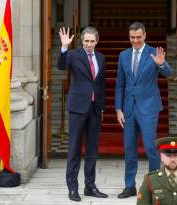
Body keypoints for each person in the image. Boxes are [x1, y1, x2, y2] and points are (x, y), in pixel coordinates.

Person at [115, 21, 172, 198]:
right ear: (129, 37)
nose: (135, 40)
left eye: (139, 37)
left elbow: (168, 73)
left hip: (148, 108)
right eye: (132, 37)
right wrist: (118, 109)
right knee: (129, 149)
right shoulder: (123, 55)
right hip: (129, 109)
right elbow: (120, 84)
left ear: (145, 35)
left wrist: (162, 64)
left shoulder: (154, 52)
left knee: (150, 147)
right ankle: (129, 186)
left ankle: (154, 185)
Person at [57, 26, 108, 202]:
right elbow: (61, 66)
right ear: (81, 41)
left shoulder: (101, 57)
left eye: (92, 41)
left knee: (92, 150)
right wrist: (64, 47)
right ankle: (72, 188)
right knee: (74, 149)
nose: (89, 44)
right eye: (86, 41)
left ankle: (90, 186)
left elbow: (101, 83)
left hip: (95, 109)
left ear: (97, 41)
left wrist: (102, 106)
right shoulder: (73, 55)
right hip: (78, 107)